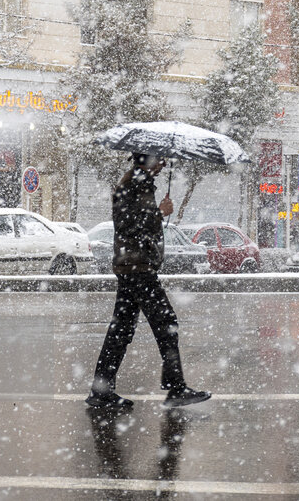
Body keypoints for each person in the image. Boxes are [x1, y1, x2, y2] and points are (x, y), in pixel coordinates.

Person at [86, 153, 211, 409]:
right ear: (147, 160)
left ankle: (101, 390)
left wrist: (157, 214)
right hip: (137, 268)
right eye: (160, 160)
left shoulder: (139, 183)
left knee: (120, 331)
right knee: (166, 322)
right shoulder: (132, 185)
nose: (163, 165)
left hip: (134, 265)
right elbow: (126, 225)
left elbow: (139, 225)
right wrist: (158, 213)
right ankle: (175, 388)